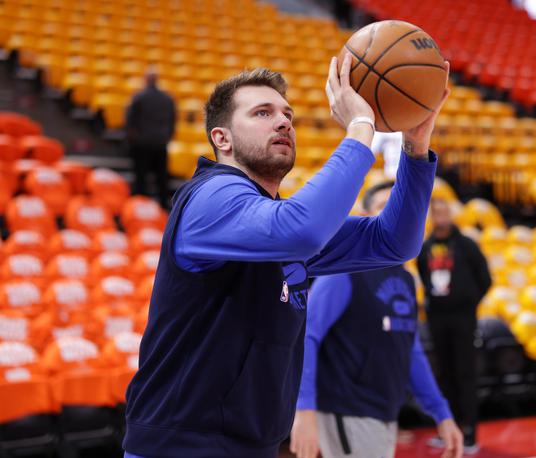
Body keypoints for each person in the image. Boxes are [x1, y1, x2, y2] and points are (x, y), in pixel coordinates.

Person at [123, 54, 450, 458]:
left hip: (252, 444)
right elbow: (305, 228)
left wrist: (416, 151)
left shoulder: (274, 221)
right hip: (182, 446)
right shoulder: (210, 197)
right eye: (262, 112)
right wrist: (361, 128)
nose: (283, 121)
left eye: (287, 114)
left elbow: (394, 242)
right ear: (221, 138)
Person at [290, 181, 463, 458]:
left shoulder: (405, 278)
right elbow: (305, 335)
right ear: (366, 216)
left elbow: (411, 349)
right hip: (347, 408)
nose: (395, 213)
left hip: (384, 410)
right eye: (384, 207)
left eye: (401, 206)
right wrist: (305, 408)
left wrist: (441, 413)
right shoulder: (343, 272)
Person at [416, 198, 491, 454]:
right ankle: (448, 429)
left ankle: (469, 432)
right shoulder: (425, 247)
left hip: (463, 318)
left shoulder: (467, 245)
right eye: (436, 213)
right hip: (438, 319)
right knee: (444, 375)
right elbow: (424, 276)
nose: (441, 217)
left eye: (444, 212)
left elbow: (485, 277)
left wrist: (468, 302)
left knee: (465, 374)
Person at [125, 68, 177, 208]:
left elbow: (130, 120)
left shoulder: (139, 97)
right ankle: (163, 205)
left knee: (141, 176)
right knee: (161, 177)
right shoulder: (167, 99)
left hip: (142, 143)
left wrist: (132, 139)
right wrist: (167, 137)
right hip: (161, 143)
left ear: (146, 79)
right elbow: (173, 121)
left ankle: (141, 205)